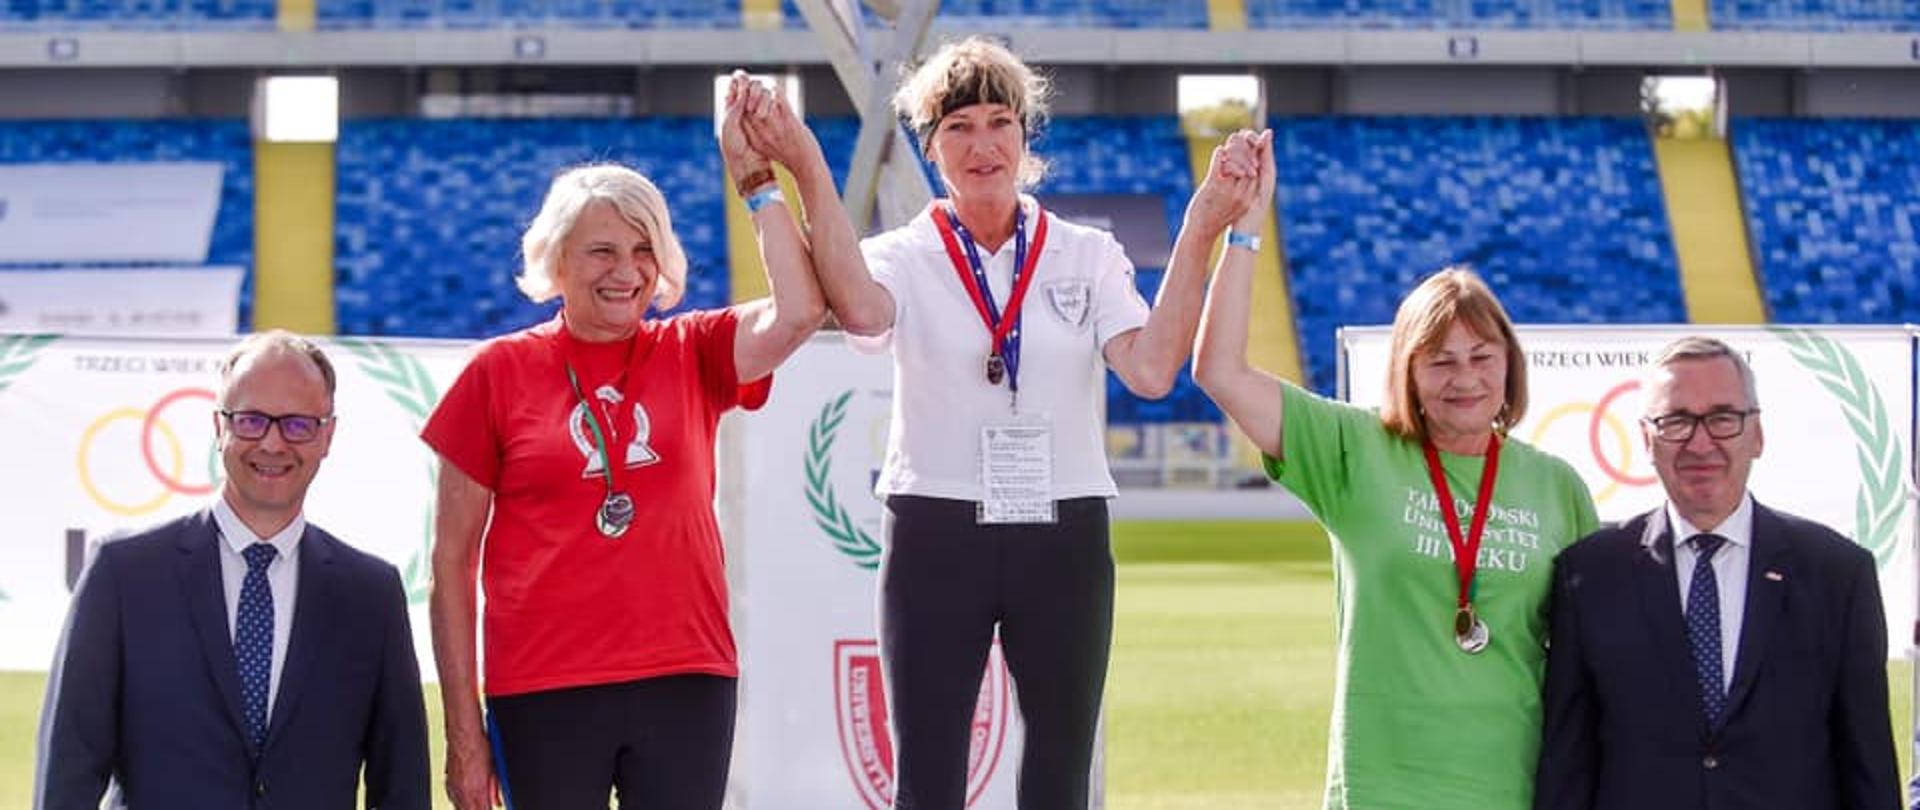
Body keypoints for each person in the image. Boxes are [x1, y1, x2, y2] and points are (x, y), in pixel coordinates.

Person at [758, 36, 1264, 809]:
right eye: (958, 127)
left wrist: (1200, 229)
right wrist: (806, 165)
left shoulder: (1086, 253)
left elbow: (1152, 369)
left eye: (1000, 122)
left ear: (1025, 137)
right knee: (927, 778)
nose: (982, 144)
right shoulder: (902, 253)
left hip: (1063, 527)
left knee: (1059, 776)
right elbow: (859, 312)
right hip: (935, 526)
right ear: (930, 146)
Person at [423, 74, 827, 810]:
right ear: (555, 261)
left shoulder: (693, 349)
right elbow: (451, 563)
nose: (627, 271)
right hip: (542, 686)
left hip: (686, 678)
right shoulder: (495, 373)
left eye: (645, 249)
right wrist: (462, 733)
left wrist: (760, 185)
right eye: (601, 251)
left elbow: (800, 311)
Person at [1193, 194, 1600, 808]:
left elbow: (1589, 654)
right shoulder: (1356, 449)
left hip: (1513, 784)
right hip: (1381, 785)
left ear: (1510, 365)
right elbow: (1220, 371)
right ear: (1407, 372)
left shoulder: (1556, 485)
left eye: (1482, 357)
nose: (1465, 378)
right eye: (1440, 361)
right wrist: (1245, 230)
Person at [35, 331, 430, 810]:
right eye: (251, 421)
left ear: (327, 436)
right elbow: (69, 769)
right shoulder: (124, 575)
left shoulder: (371, 596)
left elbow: (402, 786)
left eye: (298, 425)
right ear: (219, 427)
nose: (272, 442)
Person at [1534, 337, 1898, 810]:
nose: (1700, 443)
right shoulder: (1588, 577)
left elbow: (1868, 766)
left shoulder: (1838, 574)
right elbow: (1567, 768)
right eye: (1676, 421)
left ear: (1757, 434)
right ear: (1646, 439)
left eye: (1723, 418)